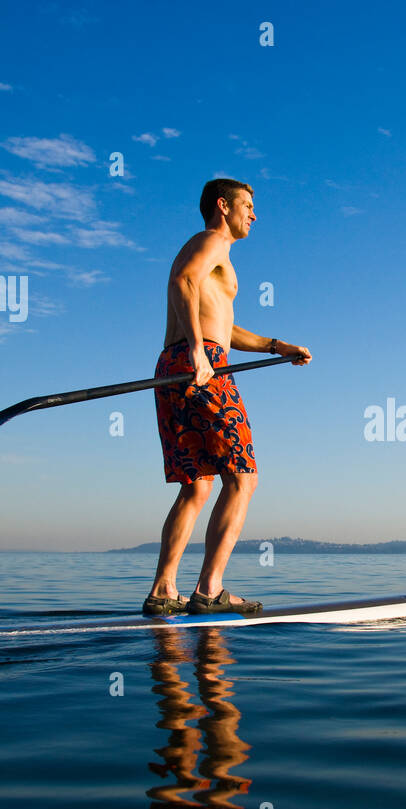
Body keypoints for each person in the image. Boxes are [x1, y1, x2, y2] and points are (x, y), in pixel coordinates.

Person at [143, 179, 311, 616]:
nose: (254, 215)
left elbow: (225, 327)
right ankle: (209, 588)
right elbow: (181, 280)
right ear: (224, 206)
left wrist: (278, 345)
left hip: (176, 366)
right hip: (201, 364)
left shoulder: (217, 257)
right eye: (248, 206)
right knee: (243, 477)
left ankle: (164, 590)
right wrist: (200, 350)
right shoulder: (211, 242)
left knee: (196, 486)